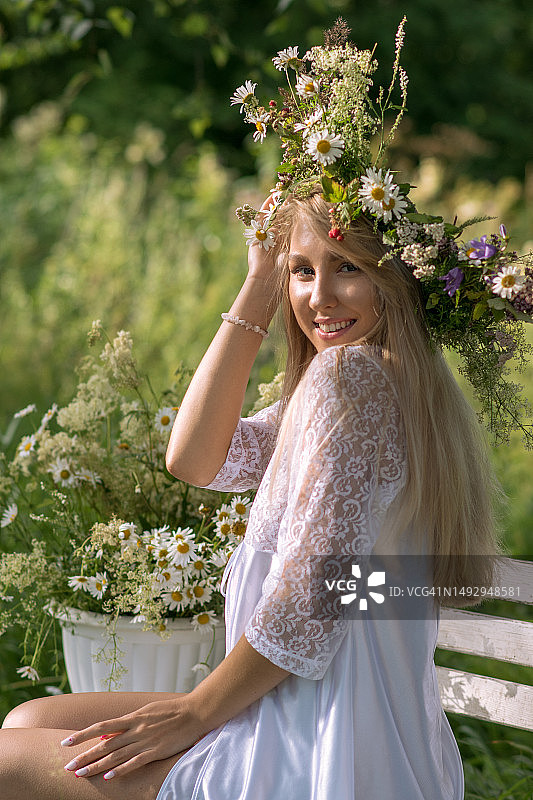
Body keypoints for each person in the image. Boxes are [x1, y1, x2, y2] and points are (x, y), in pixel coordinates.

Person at [1, 19, 529, 800]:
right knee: (31, 721)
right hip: (327, 712)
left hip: (309, 746)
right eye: (301, 270)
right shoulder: (371, 386)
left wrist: (193, 713)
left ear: (394, 282)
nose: (319, 297)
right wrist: (256, 281)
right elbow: (199, 461)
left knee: (11, 762)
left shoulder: (352, 382)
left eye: (347, 269)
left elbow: (313, 595)